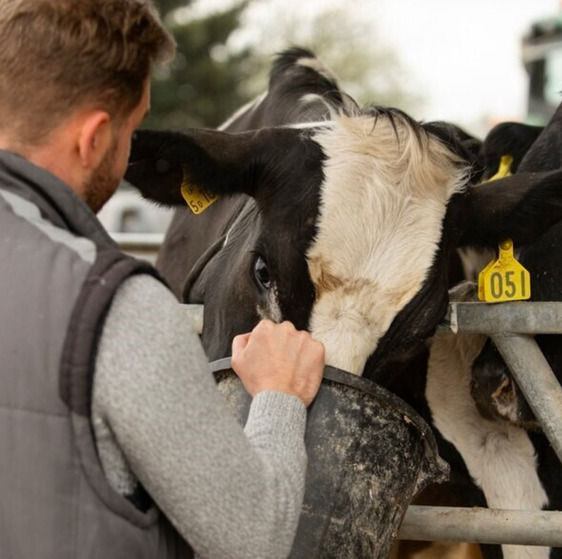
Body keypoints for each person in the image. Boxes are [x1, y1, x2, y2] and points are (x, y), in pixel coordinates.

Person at [0, 1, 325, 558]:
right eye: (134, 125)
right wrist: (278, 395)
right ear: (96, 136)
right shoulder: (113, 308)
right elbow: (251, 538)